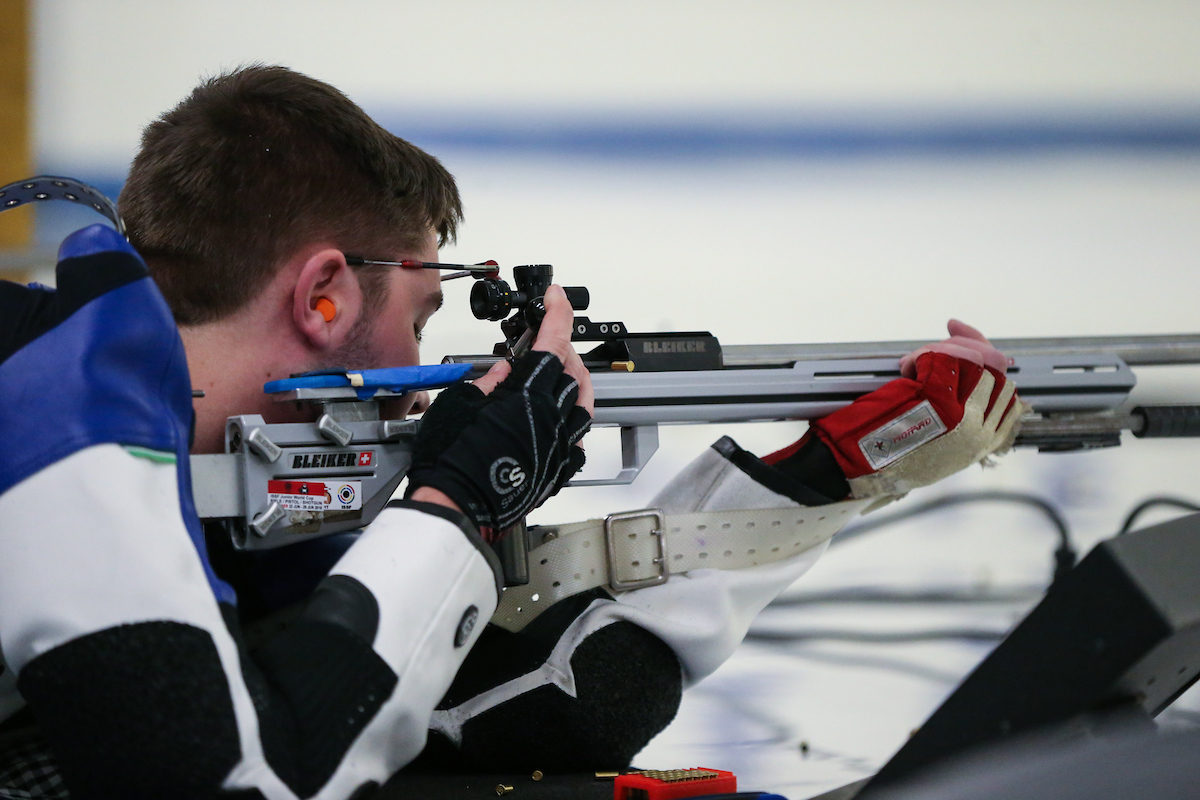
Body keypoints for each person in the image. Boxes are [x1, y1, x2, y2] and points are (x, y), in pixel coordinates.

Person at [0, 65, 1021, 799]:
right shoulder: (63, 406)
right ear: (321, 297)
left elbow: (538, 705)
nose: (417, 390)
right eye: (419, 325)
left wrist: (821, 477)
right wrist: (451, 500)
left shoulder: (166, 449)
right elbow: (233, 777)